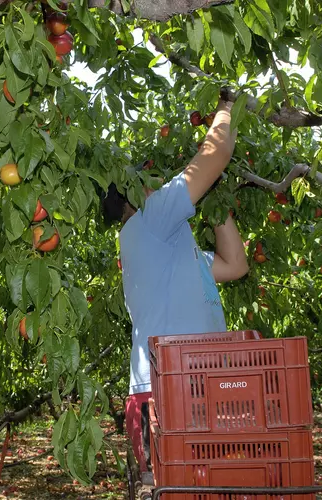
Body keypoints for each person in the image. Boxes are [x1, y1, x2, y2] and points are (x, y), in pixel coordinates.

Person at [101, 92, 249, 476]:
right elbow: (215, 156)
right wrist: (228, 107)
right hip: (169, 392)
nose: (161, 182)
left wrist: (213, 199)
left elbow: (235, 265)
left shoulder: (169, 249)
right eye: (150, 177)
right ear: (134, 193)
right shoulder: (150, 219)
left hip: (192, 388)